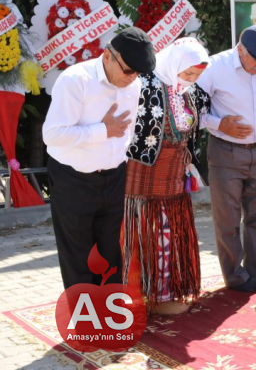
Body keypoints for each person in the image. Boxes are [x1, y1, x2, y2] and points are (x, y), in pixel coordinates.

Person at [43, 27, 156, 289]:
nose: (133, 78)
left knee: (110, 253)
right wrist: (102, 130)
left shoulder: (134, 84)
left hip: (114, 177)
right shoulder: (76, 80)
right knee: (78, 256)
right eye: (128, 70)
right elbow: (52, 135)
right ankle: (86, 324)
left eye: (138, 73)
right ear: (107, 56)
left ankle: (108, 317)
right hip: (73, 179)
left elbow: (125, 131)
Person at [121, 37, 210, 315]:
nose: (192, 79)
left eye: (196, 75)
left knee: (168, 237)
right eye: (189, 73)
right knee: (145, 236)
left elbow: (197, 124)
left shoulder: (188, 91)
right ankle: (143, 295)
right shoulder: (144, 84)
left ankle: (164, 293)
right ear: (175, 64)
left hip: (173, 181)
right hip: (143, 179)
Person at [197, 25, 256, 293]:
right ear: (240, 49)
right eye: (254, 62)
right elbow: (190, 111)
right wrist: (219, 124)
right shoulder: (214, 67)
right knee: (228, 218)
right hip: (226, 150)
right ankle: (234, 277)